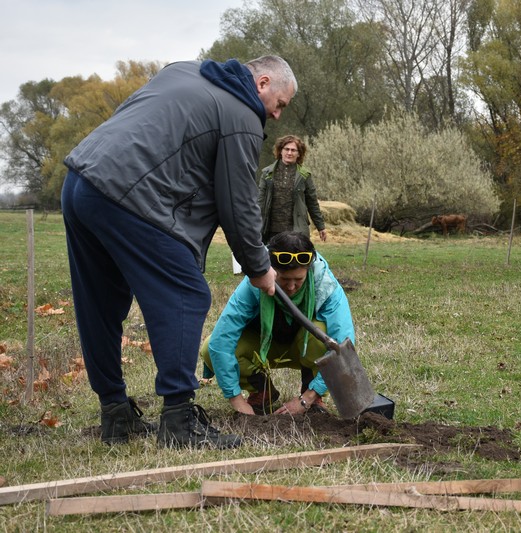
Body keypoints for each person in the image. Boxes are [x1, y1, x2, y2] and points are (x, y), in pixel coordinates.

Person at [61, 55, 297, 448]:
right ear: (263, 82)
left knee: (100, 302)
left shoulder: (184, 70)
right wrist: (259, 268)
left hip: (82, 181)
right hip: (130, 193)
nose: (276, 116)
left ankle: (115, 413)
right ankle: (179, 420)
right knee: (186, 292)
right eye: (280, 104)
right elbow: (238, 204)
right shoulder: (241, 113)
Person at [200, 231, 355, 416]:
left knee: (323, 335)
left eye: (298, 280)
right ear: (271, 271)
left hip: (304, 350)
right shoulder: (254, 284)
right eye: (284, 279)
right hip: (263, 350)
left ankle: (314, 397)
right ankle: (262, 391)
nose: (291, 287)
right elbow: (221, 342)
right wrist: (236, 400)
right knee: (209, 347)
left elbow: (343, 347)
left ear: (309, 270)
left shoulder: (325, 285)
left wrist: (308, 397)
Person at [258, 135, 328, 244]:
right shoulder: (267, 173)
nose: (289, 153)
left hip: (296, 230)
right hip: (269, 230)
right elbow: (260, 201)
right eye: (286, 149)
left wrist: (321, 227)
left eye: (293, 150)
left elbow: (312, 203)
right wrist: (252, 225)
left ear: (299, 154)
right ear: (280, 151)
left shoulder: (305, 175)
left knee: (295, 259)